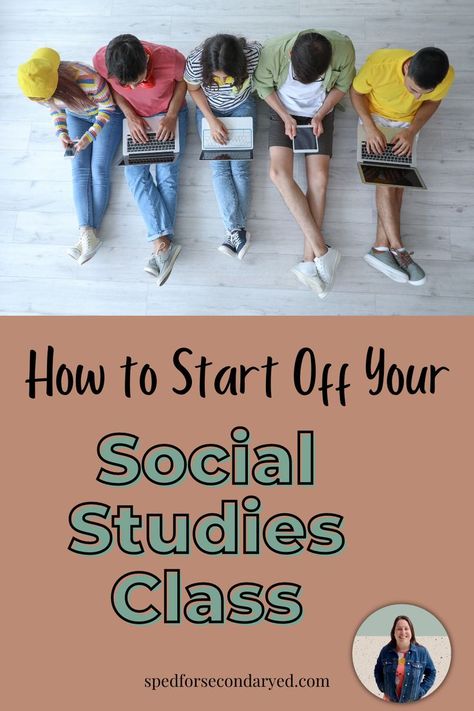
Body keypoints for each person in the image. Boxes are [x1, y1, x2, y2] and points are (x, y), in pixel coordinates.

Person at [253, 30, 355, 298]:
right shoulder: (272, 51)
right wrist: (286, 116)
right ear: (289, 56)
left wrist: (321, 114)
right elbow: (263, 87)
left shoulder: (344, 49)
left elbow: (343, 85)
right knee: (278, 174)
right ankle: (322, 251)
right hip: (282, 112)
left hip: (319, 114)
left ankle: (310, 261)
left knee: (319, 180)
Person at [351, 47, 454, 286]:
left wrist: (411, 131)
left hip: (407, 124)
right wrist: (370, 126)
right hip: (375, 117)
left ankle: (380, 248)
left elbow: (432, 102)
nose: (416, 98)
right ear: (407, 69)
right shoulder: (379, 66)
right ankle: (398, 249)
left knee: (399, 181)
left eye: (422, 93)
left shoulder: (445, 75)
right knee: (387, 178)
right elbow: (355, 94)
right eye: (412, 90)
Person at [94, 35, 188, 286]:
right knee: (134, 174)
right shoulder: (101, 60)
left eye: (136, 82)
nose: (133, 89)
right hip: (136, 119)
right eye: (128, 85)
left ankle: (161, 246)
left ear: (147, 61)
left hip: (169, 114)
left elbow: (183, 84)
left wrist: (171, 115)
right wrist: (129, 114)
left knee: (167, 174)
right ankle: (164, 244)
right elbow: (110, 87)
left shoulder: (172, 58)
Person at [18, 48, 123, 265]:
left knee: (99, 170)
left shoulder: (88, 78)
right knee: (79, 170)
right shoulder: (41, 89)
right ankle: (87, 233)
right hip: (77, 115)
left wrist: (89, 136)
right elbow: (55, 109)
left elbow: (108, 107)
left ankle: (87, 236)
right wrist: (62, 133)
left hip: (106, 116)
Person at [185, 34, 261, 258]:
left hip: (242, 106)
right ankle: (237, 231)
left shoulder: (253, 54)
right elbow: (193, 89)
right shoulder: (195, 61)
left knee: (240, 168)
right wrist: (211, 119)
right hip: (209, 111)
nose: (223, 80)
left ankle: (233, 232)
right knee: (219, 167)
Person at [374, 615, 436, 703]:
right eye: (399, 629)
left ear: (411, 632)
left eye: (406, 628)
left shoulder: (422, 652)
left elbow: (431, 672)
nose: (403, 632)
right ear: (394, 633)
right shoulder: (385, 651)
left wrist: (421, 691)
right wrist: (383, 688)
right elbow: (378, 670)